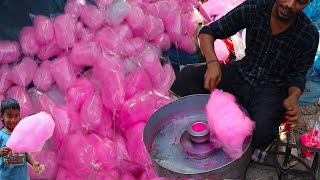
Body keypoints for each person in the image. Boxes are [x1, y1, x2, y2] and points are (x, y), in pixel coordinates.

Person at [170, 0, 319, 160]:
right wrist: (213, 63)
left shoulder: (308, 34)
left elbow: (298, 76)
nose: (290, 4)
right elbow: (208, 32)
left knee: (263, 133)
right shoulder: (256, 6)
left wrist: (293, 98)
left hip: (272, 89)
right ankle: (178, 126)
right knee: (188, 76)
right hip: (241, 72)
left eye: (300, 2)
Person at [0, 98, 43, 180]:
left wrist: (33, 163)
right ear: (1, 116)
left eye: (16, 116)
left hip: (21, 177)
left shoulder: (21, 134)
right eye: (9, 116)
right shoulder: (1, 135)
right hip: (5, 177)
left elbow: (24, 153)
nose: (13, 120)